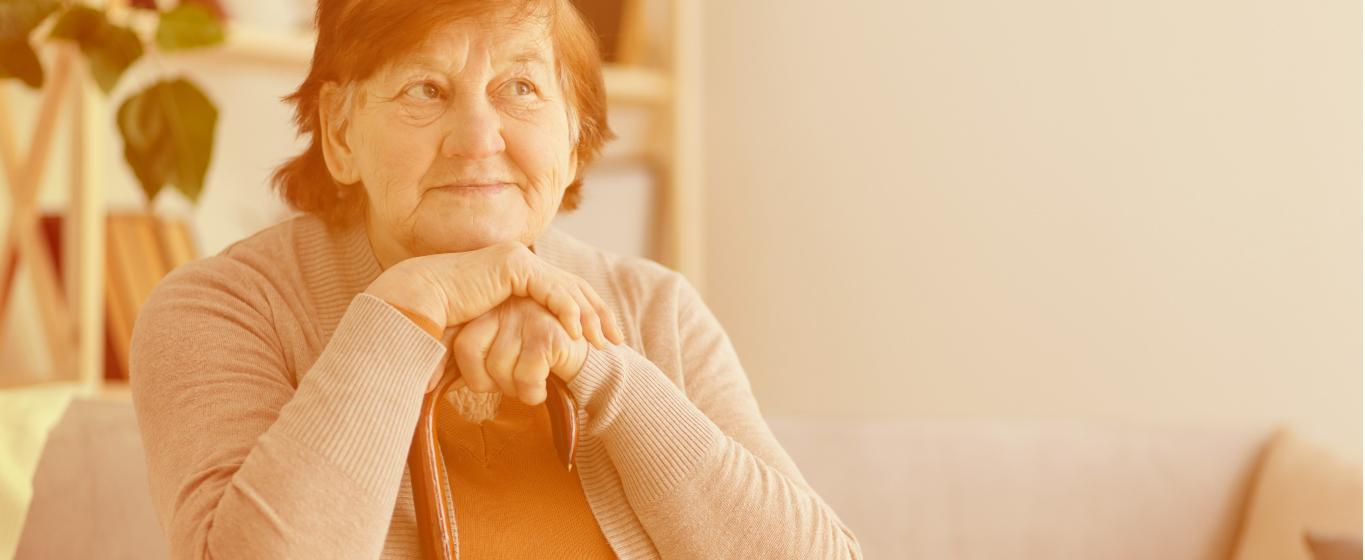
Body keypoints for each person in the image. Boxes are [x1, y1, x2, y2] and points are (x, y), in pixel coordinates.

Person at [128, 0, 863, 558]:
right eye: (423, 89)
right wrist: (404, 312)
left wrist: (598, 365)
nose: (478, 138)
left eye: (520, 88)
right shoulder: (223, 310)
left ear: (575, 140)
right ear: (340, 132)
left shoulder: (655, 309)